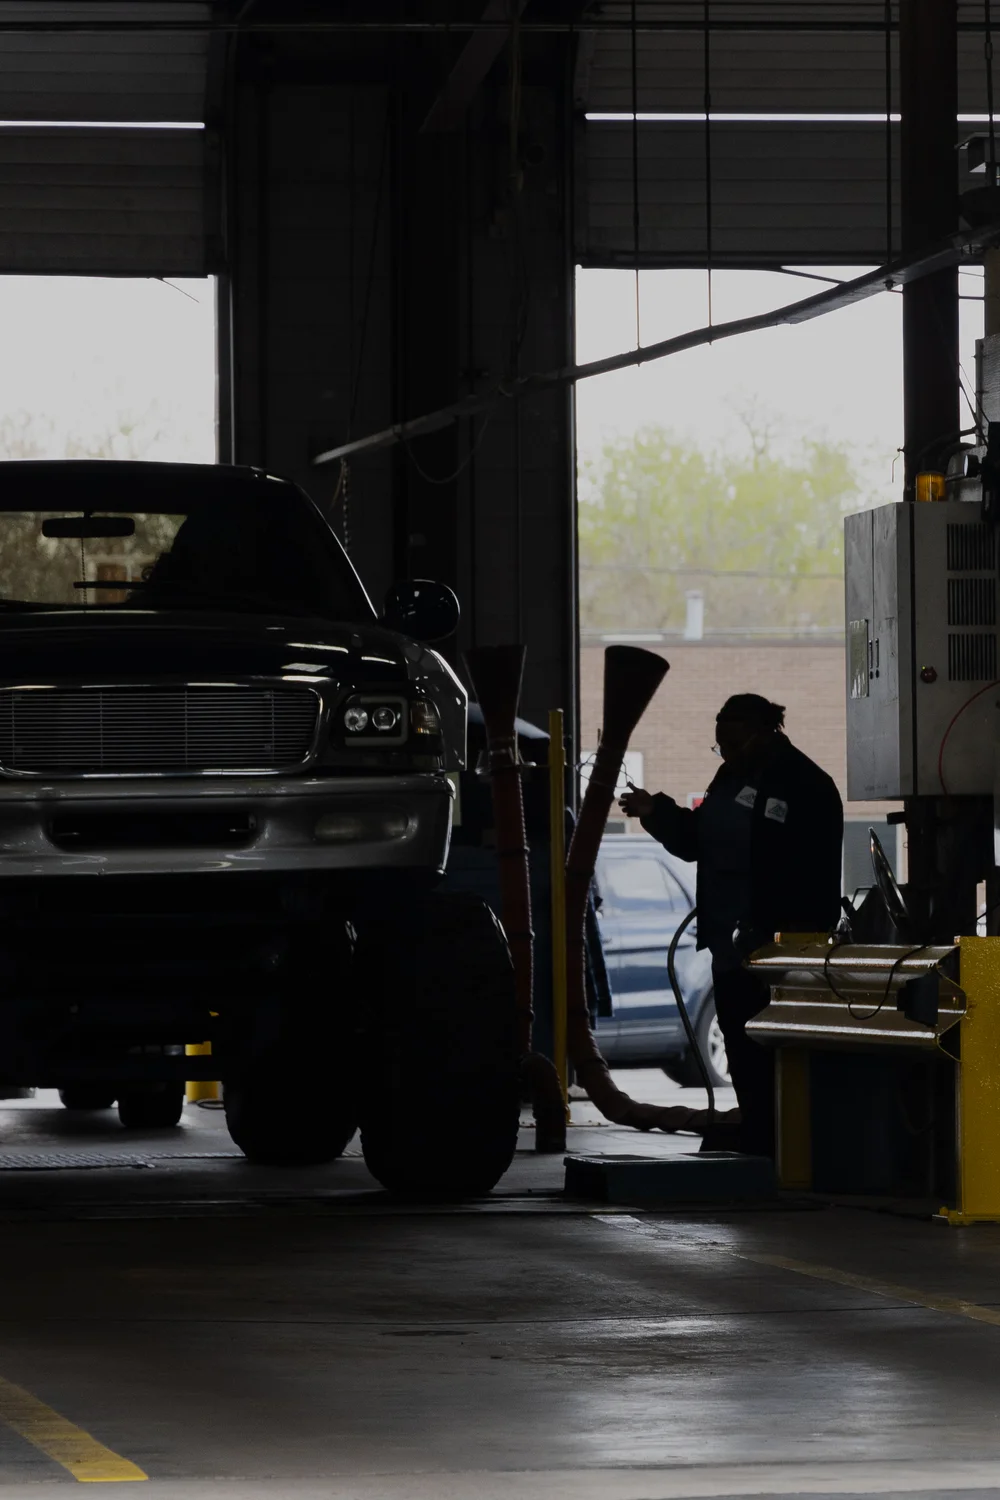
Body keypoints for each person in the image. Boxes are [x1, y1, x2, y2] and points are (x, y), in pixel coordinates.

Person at [619, 694, 843, 1157]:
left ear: (767, 733)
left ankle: (788, 1147)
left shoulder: (806, 785)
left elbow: (807, 873)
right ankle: (758, 1135)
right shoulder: (731, 776)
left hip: (778, 950)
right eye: (720, 747)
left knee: (775, 1052)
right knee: (741, 1050)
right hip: (729, 943)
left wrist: (776, 931)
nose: (728, 755)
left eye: (736, 744)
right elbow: (699, 836)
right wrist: (654, 811)